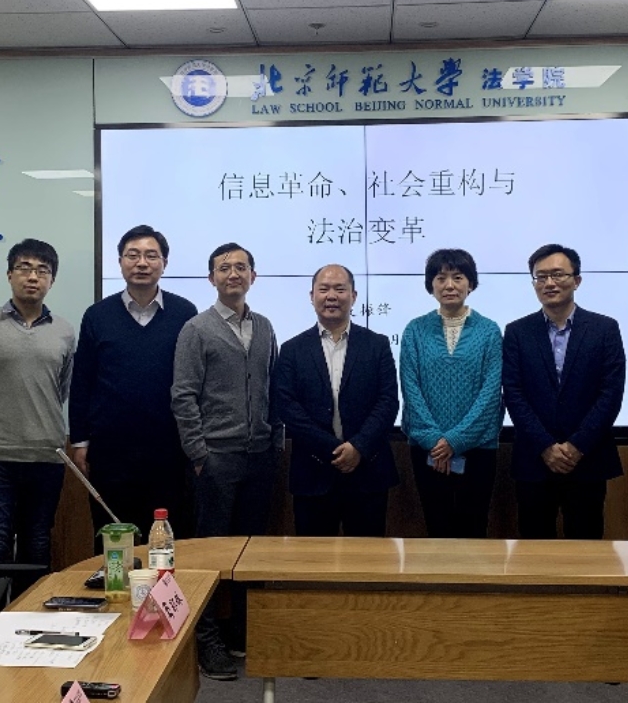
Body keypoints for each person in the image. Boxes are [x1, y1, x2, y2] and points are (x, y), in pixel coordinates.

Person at [171, 242, 280, 681]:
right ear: (211, 278)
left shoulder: (265, 326)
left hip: (260, 456)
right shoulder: (196, 329)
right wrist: (199, 453)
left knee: (251, 551)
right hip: (216, 457)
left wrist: (275, 442)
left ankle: (241, 632)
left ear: (253, 275)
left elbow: (271, 386)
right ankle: (207, 638)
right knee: (210, 553)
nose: (233, 274)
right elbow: (183, 395)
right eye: (223, 268)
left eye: (240, 267)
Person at [68, 225, 197, 542]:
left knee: (167, 540)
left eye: (151, 256)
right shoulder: (97, 315)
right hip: (111, 451)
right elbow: (82, 380)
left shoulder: (185, 313)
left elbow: (195, 381)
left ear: (164, 263)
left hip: (169, 450)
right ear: (120, 262)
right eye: (133, 255)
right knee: (114, 539)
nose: (142, 263)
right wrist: (80, 441)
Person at [0, 239, 76, 603]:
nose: (33, 277)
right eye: (25, 268)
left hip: (47, 455)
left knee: (38, 541)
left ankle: (31, 618)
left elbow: (61, 389)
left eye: (42, 271)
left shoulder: (64, 330)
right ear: (9, 274)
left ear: (52, 280)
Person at [503, 244, 625, 540]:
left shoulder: (605, 328)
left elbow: (611, 393)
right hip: (534, 459)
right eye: (541, 276)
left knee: (587, 547)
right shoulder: (517, 331)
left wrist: (576, 446)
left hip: (588, 458)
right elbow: (513, 393)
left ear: (577, 280)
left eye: (558, 274)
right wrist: (546, 446)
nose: (549, 283)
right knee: (534, 547)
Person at [273, 264, 399, 536]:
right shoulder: (292, 349)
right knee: (313, 557)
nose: (332, 296)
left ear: (353, 296)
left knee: (367, 557)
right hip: (313, 472)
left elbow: (388, 401)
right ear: (312, 296)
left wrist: (358, 447)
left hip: (368, 471)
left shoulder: (377, 344)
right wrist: (333, 448)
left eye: (340, 289)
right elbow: (287, 406)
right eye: (324, 289)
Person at [399, 248, 503, 539]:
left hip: (477, 449)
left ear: (471, 283)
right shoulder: (415, 330)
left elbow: (491, 392)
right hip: (428, 449)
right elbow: (410, 388)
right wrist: (436, 441)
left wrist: (455, 440)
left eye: (458, 277)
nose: (449, 285)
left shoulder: (489, 331)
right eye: (440, 277)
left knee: (474, 527)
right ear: (430, 284)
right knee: (437, 526)